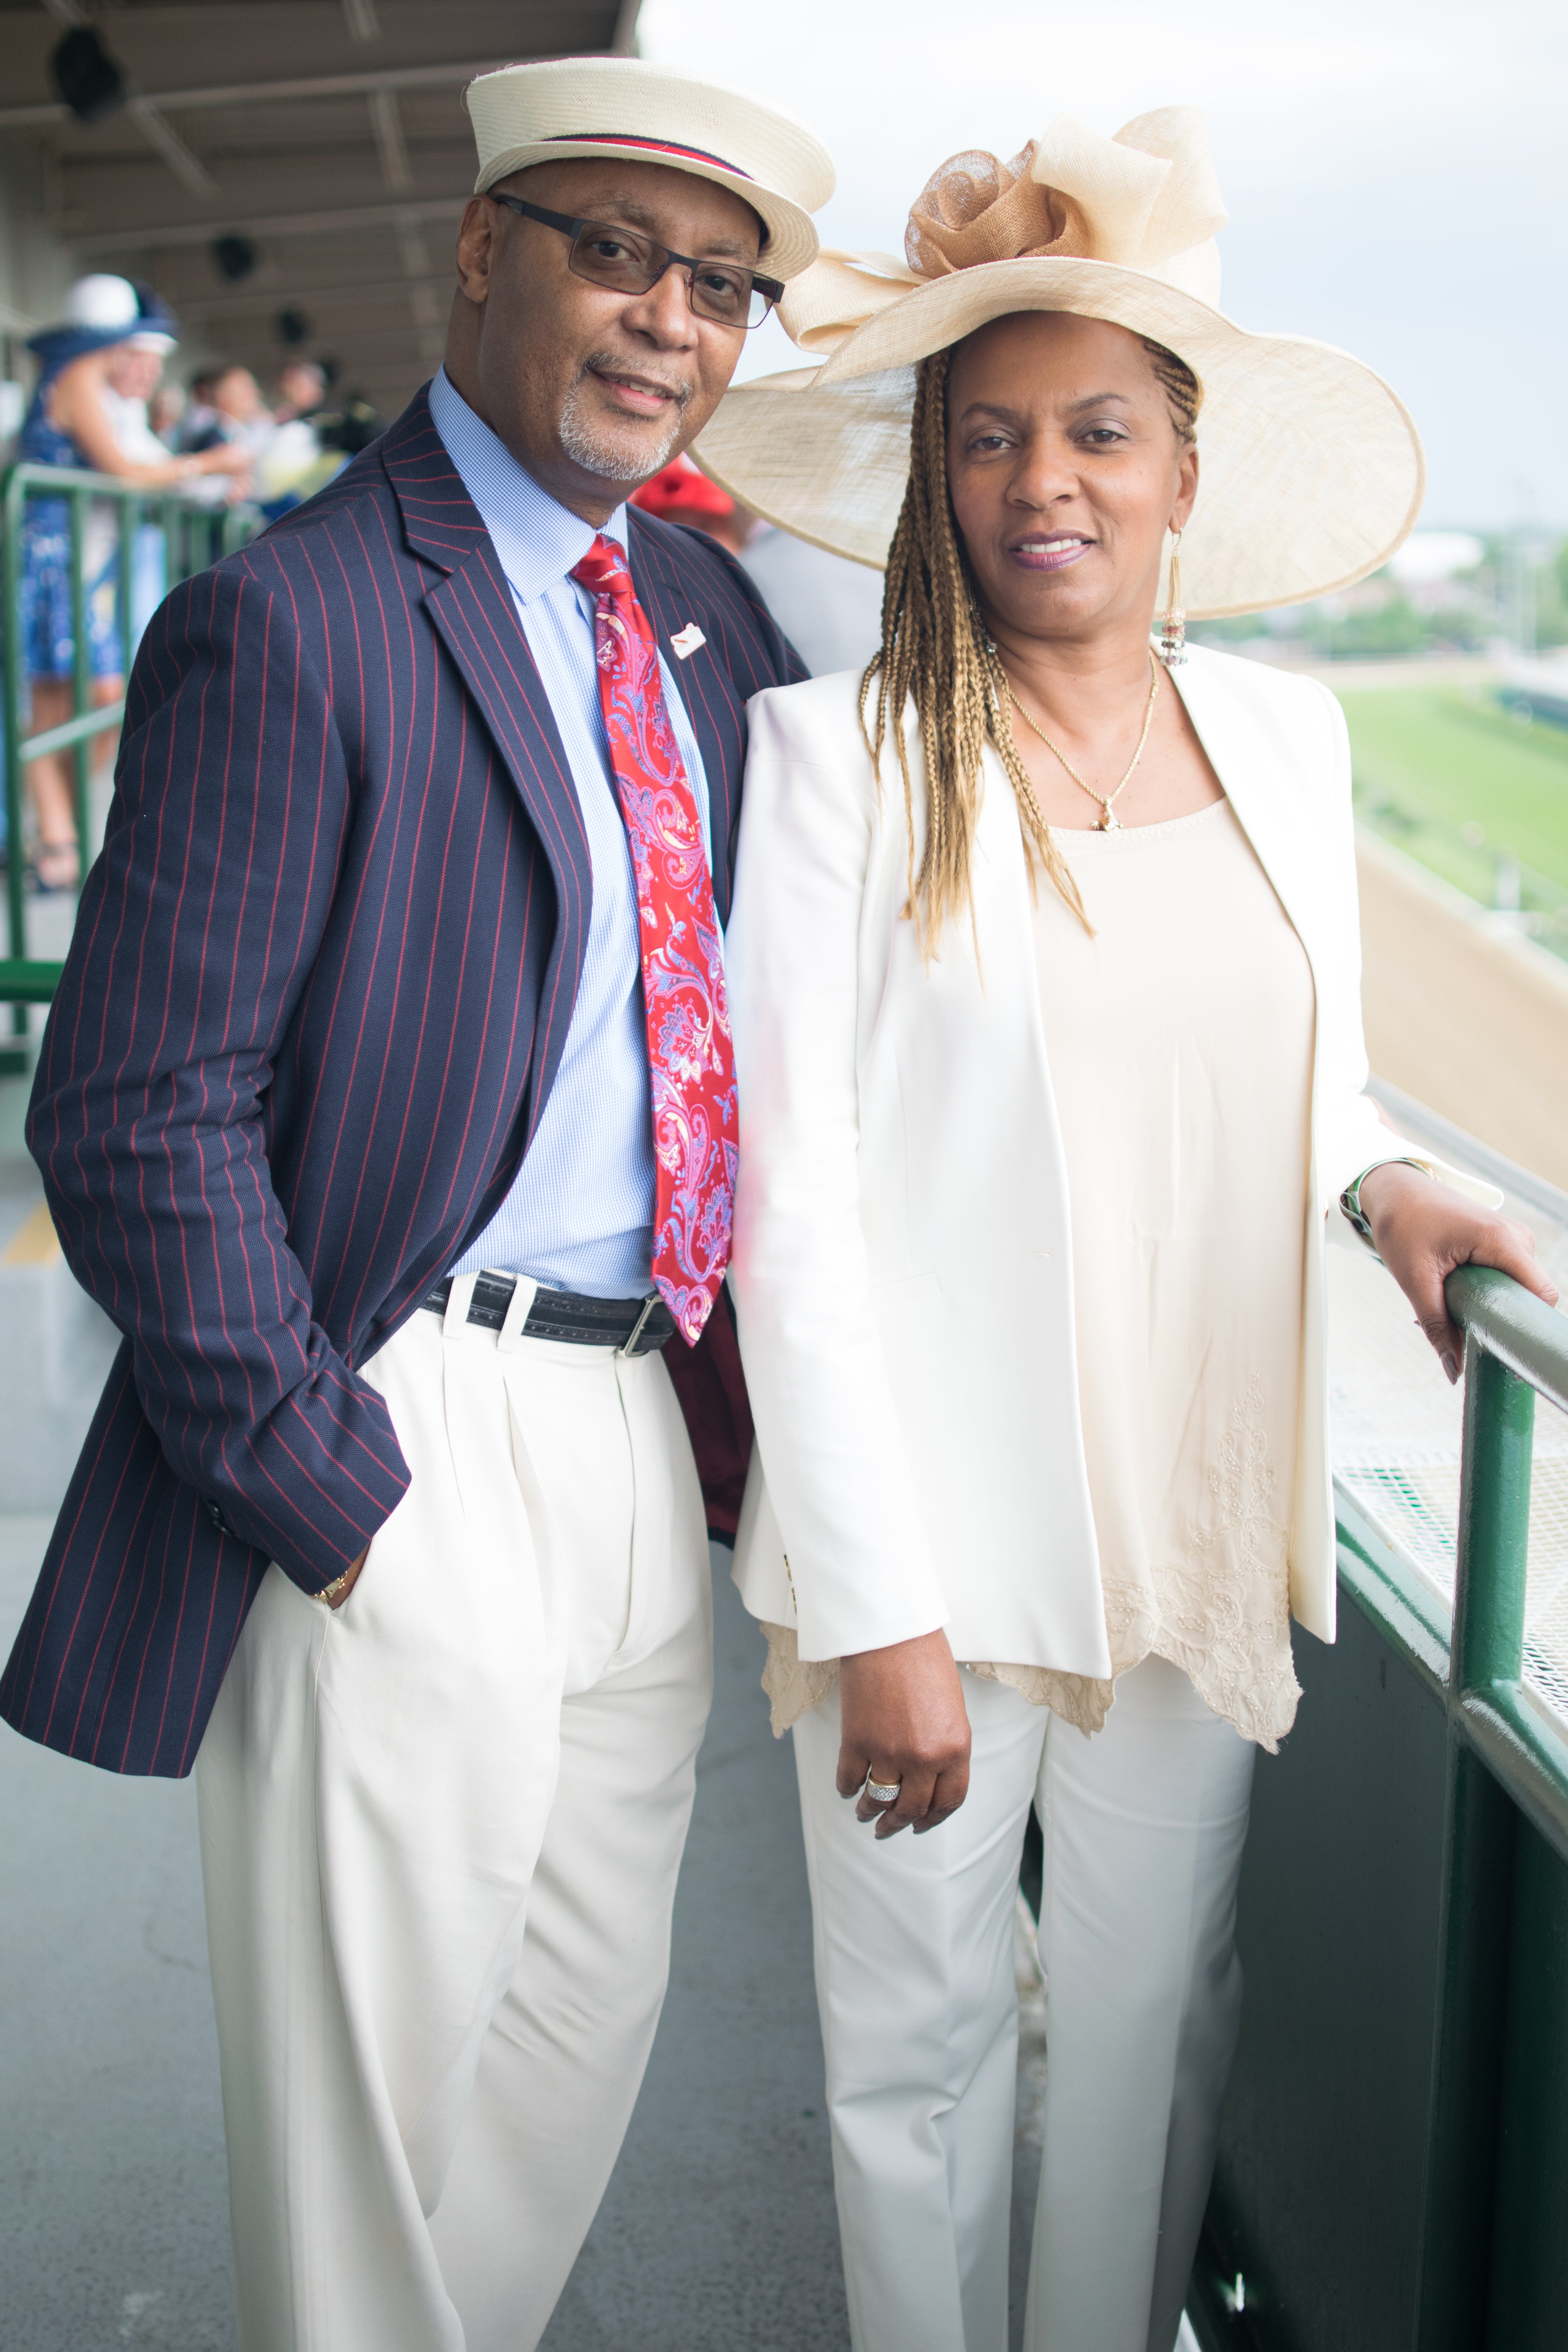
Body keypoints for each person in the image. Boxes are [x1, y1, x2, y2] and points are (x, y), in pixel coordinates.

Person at [1, 55, 831, 2352]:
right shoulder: (297, 617)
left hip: (642, 1431)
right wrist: (325, 1485)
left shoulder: (703, 609)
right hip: (401, 1412)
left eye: (718, 287)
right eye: (613, 254)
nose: (668, 321)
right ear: (484, 252)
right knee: (365, 2150)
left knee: (566, 2072)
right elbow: (135, 1106)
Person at [713, 108, 1561, 2352]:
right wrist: (878, 1600)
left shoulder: (1284, 741)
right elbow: (782, 1212)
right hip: (932, 1530)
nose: (1041, 482)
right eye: (988, 439)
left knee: (1153, 2023)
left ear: (1184, 469)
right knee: (916, 2061)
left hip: (1186, 1507)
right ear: (938, 475)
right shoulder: (833, 763)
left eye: (1098, 430)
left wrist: (1383, 1179)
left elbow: (1294, 1077)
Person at [12, 275, 245, 887]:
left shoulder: (83, 382)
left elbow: (142, 465)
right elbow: (123, 471)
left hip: (73, 562)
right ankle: (55, 836)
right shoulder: (81, 378)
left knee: (93, 698)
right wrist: (212, 463)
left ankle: (51, 826)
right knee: (58, 702)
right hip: (54, 559)